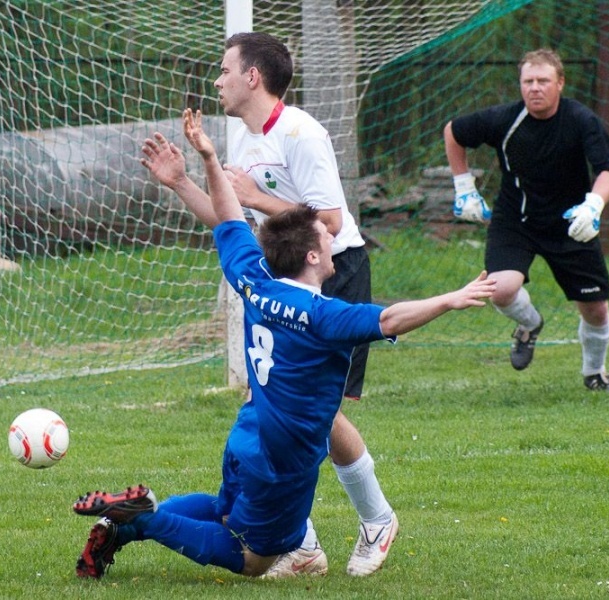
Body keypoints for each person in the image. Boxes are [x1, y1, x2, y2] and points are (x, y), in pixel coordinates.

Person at [72, 108, 497, 580]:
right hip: (284, 458)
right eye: (326, 236)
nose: (333, 237)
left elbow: (228, 220)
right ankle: (145, 519)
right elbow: (391, 317)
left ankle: (122, 524)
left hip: (248, 432)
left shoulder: (255, 280)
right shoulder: (323, 316)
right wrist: (451, 299)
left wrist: (205, 162)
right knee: (254, 559)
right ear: (313, 255)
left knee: (226, 512)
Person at [212, 32, 395, 576]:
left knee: (314, 412)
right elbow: (237, 218)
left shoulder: (301, 133)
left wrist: (255, 197)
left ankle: (377, 518)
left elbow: (330, 222)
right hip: (281, 277)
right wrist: (182, 182)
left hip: (331, 271)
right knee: (273, 404)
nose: (217, 81)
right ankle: (303, 545)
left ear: (252, 77)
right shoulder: (243, 137)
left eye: (225, 70)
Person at [443, 48, 609, 391]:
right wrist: (463, 187)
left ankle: (594, 373)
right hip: (517, 220)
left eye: (543, 80)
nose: (535, 88)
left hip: (572, 224)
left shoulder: (581, 120)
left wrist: (593, 205)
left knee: (596, 309)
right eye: (528, 81)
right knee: (500, 290)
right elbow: (453, 132)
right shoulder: (504, 119)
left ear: (560, 83)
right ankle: (529, 325)